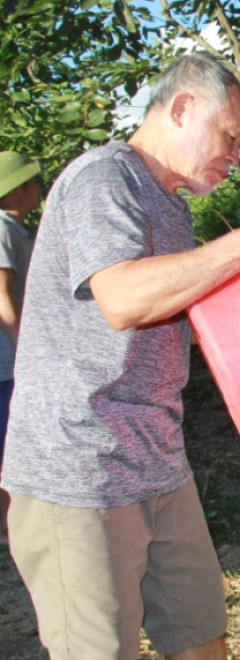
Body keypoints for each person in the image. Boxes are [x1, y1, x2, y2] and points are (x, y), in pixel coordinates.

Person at [0, 52, 240, 659]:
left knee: (202, 637)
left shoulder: (170, 205)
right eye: (230, 136)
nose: (236, 155)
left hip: (157, 459)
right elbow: (123, 297)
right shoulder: (105, 178)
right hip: (80, 470)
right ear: (181, 107)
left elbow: (177, 317)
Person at [0, 150, 41, 552]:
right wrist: (23, 351)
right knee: (9, 444)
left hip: (13, 360)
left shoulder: (17, 230)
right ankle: (9, 528)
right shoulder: (1, 229)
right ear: (19, 189)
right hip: (7, 363)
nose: (38, 191)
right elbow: (2, 299)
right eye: (34, 183)